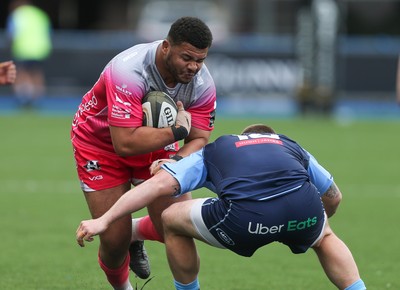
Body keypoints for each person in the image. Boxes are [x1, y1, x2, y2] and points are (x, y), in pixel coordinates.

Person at [76, 124, 366, 290]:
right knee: (325, 236)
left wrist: (105, 220)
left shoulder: (217, 149)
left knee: (171, 218)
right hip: (302, 209)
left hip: (245, 221)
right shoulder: (288, 145)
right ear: (269, 135)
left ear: (245, 134)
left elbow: (156, 187)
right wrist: (312, 223)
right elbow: (333, 196)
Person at [71, 17, 216, 290]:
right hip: (99, 145)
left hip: (159, 145)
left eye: (200, 60)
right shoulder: (129, 70)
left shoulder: (202, 82)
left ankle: (135, 232)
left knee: (178, 227)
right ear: (165, 47)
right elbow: (124, 143)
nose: (193, 67)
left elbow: (200, 138)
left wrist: (173, 161)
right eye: (187, 57)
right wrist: (175, 133)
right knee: (114, 241)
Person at [6, 0, 52, 107]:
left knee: (21, 74)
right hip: (40, 50)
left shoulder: (17, 15)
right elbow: (48, 32)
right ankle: (36, 99)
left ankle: (23, 99)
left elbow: (11, 34)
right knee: (37, 74)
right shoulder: (40, 14)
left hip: (23, 49)